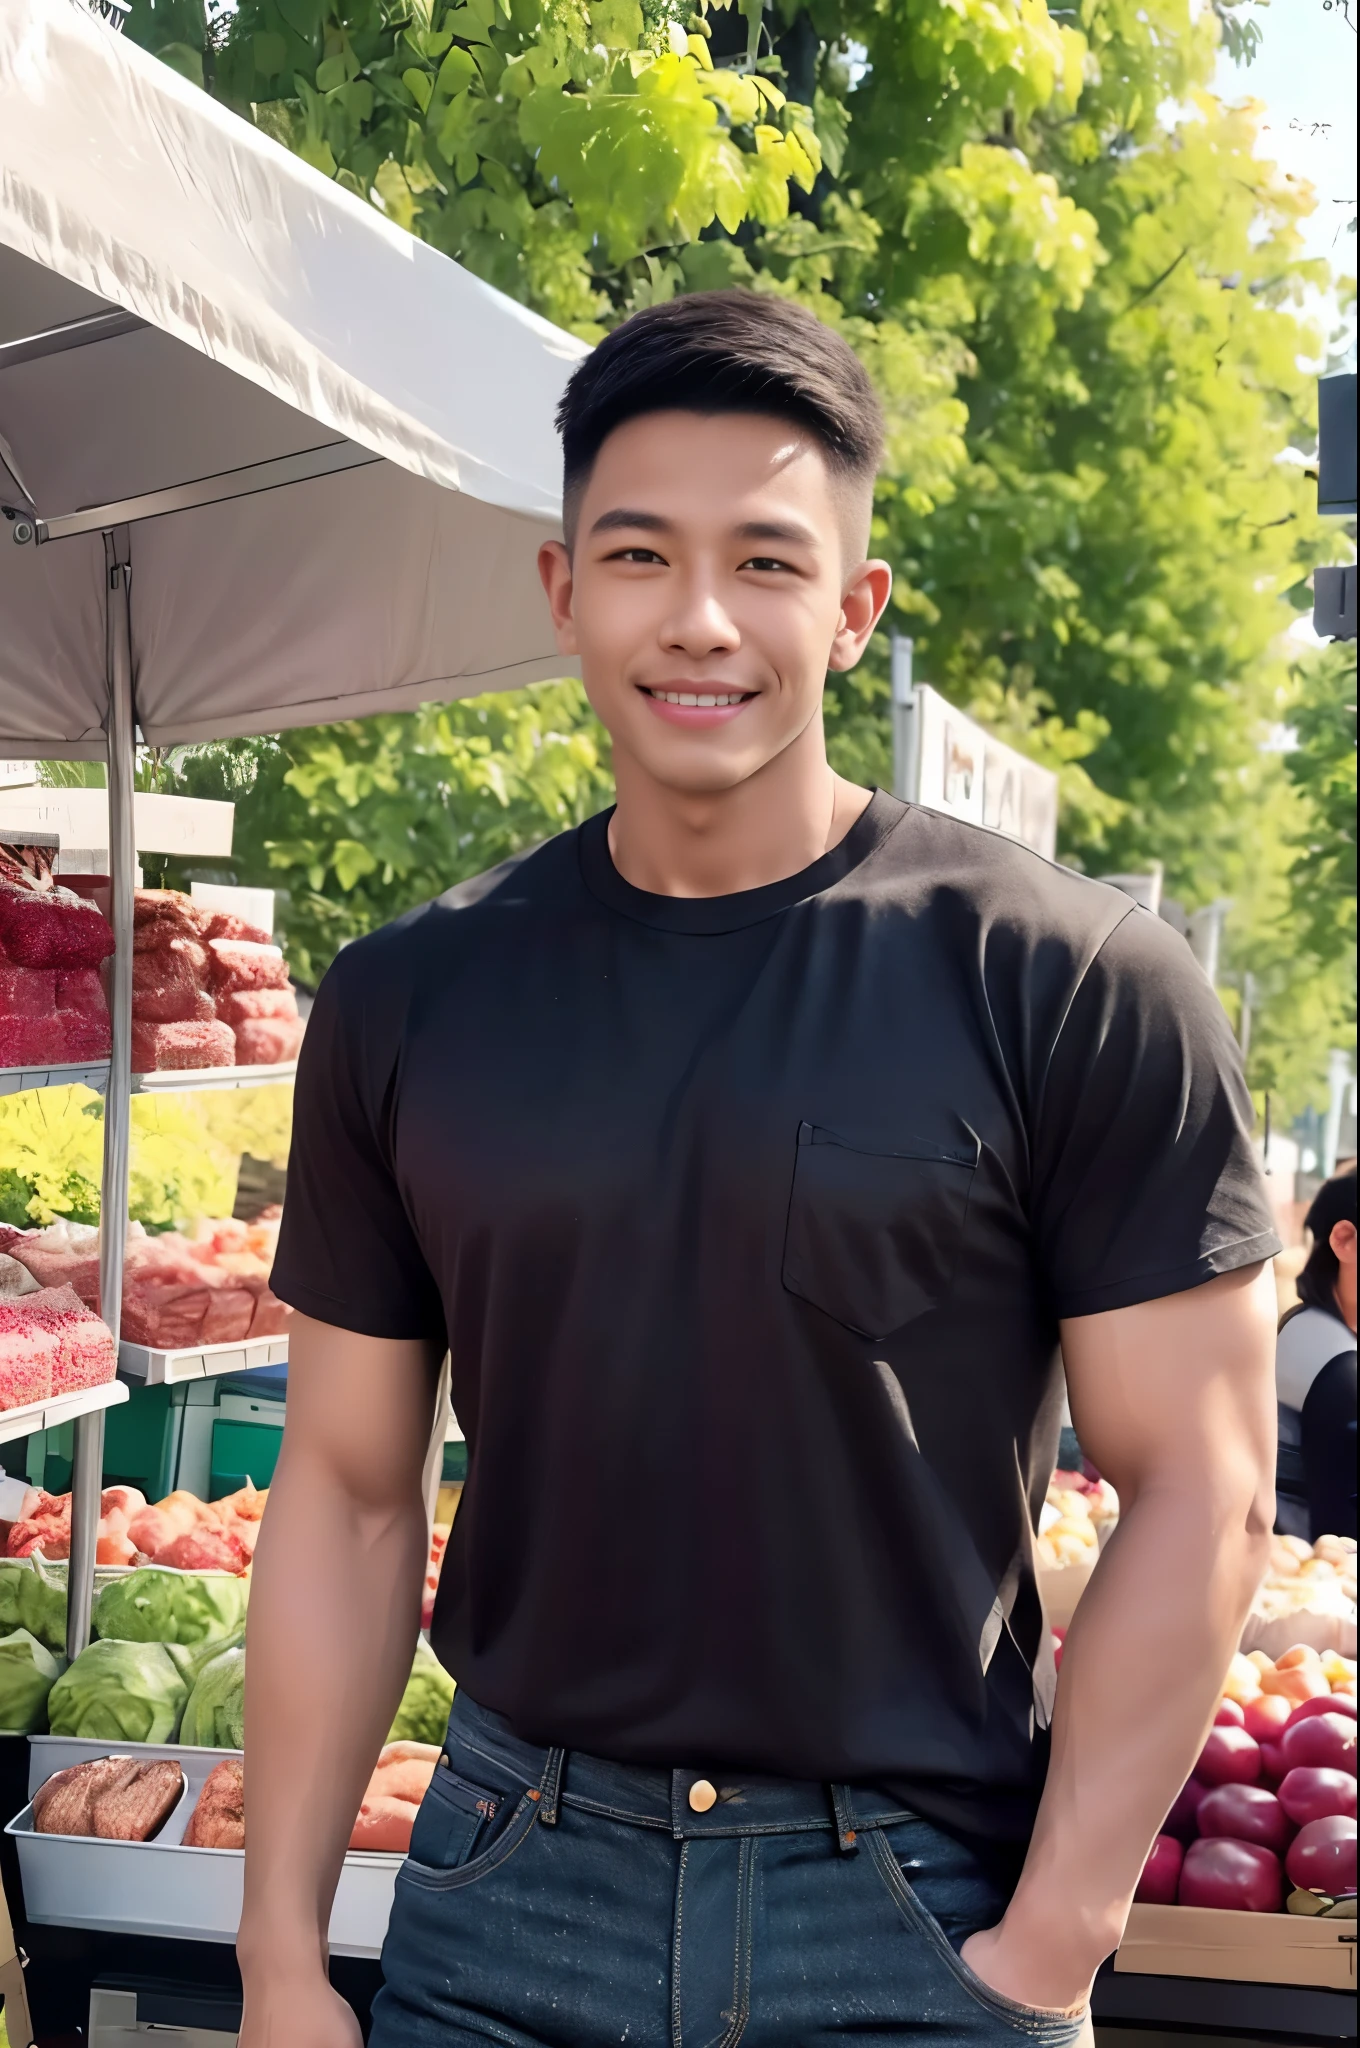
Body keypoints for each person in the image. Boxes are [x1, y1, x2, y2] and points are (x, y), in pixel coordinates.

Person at [237, 293, 1279, 2048]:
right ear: (565, 590)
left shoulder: (1071, 983)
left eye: (769, 562)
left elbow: (1204, 1484)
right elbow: (343, 1492)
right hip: (507, 1896)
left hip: (910, 1913)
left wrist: (1051, 1945)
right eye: (641, 555)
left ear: (855, 608)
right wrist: (279, 1962)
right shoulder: (415, 996)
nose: (700, 619)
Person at [1275, 1163, 1357, 1541]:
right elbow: (1340, 1535)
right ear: (1345, 1240)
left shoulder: (1307, 1323)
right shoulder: (1338, 1365)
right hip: (1315, 1585)